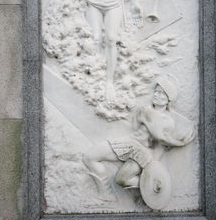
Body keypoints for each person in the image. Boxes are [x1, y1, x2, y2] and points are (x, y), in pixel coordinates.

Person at [83, 74, 195, 206]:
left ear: (169, 100)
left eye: (162, 94)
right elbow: (144, 128)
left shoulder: (168, 121)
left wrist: (179, 143)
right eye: (156, 92)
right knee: (90, 156)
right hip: (129, 143)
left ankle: (150, 187)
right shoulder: (145, 110)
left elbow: (160, 139)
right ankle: (106, 194)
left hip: (141, 153)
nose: (157, 95)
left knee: (121, 179)